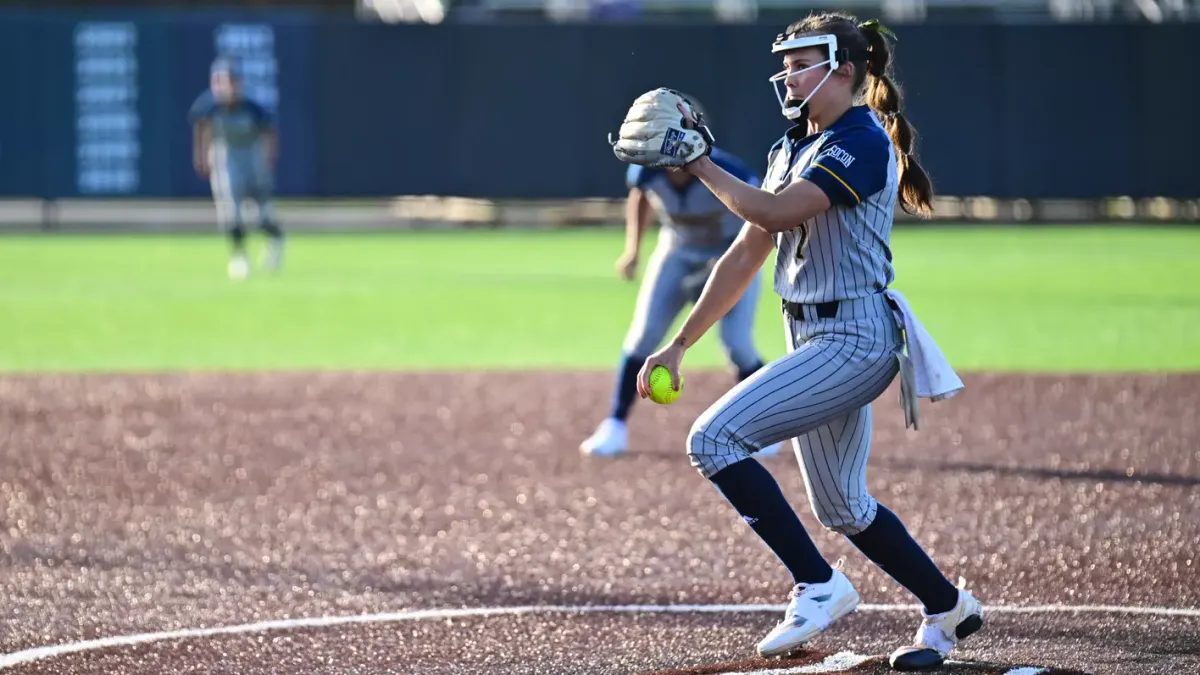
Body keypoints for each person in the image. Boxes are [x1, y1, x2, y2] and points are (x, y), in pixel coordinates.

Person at [617, 12, 983, 671]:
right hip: (814, 334)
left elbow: (777, 212)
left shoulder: (862, 140)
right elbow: (745, 253)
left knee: (712, 439)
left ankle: (819, 584)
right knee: (842, 504)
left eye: (800, 61)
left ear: (843, 69)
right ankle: (948, 606)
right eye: (785, 61)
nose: (786, 73)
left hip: (853, 336)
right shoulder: (791, 146)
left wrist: (699, 164)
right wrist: (679, 344)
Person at [581, 96, 782, 458]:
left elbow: (757, 221)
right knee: (643, 336)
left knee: (738, 344)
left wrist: (722, 267)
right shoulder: (647, 168)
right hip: (677, 249)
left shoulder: (723, 170)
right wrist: (633, 250)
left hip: (730, 253)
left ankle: (767, 428)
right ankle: (615, 424)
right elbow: (640, 197)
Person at [189, 56, 284, 280]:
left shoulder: (252, 106)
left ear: (238, 83)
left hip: (252, 155)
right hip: (226, 156)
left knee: (261, 215)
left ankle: (276, 239)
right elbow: (201, 127)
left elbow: (269, 130)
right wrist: (201, 155)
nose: (224, 87)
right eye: (219, 81)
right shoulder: (209, 104)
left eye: (229, 81)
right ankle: (239, 256)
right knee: (231, 212)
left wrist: (269, 157)